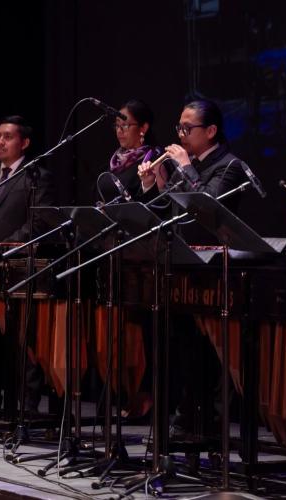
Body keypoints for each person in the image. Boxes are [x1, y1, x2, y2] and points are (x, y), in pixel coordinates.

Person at [137, 99, 247, 438]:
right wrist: (153, 183)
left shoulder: (229, 166)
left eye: (188, 129)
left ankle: (210, 423)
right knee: (182, 346)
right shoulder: (191, 164)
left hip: (214, 271)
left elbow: (207, 211)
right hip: (183, 266)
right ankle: (187, 414)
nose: (181, 135)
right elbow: (170, 211)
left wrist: (183, 168)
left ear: (210, 131)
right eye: (179, 128)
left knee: (210, 354)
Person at [0, 115, 55, 414]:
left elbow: (38, 221)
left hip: (21, 265)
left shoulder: (36, 176)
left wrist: (5, 246)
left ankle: (27, 404)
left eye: (7, 137)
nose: (0, 142)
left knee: (24, 338)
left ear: (25, 143)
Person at [96, 99, 156, 204]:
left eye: (124, 125)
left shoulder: (152, 160)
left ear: (143, 128)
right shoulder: (116, 160)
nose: (119, 130)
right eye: (117, 125)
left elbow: (156, 205)